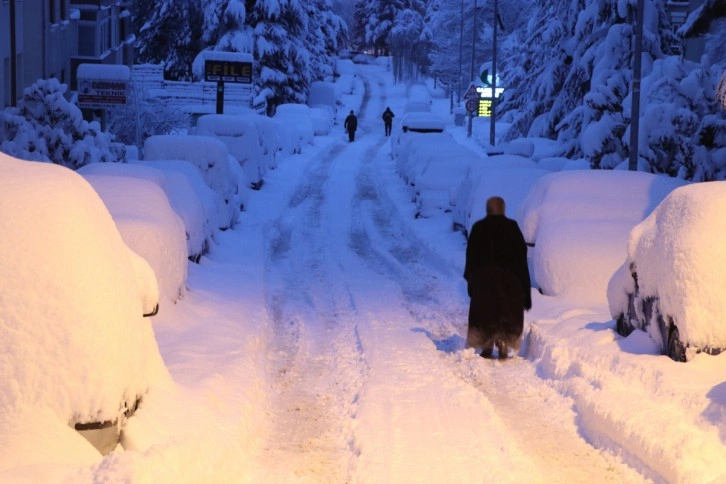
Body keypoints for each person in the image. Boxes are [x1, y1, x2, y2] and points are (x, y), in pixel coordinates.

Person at [463, 196, 532, 359]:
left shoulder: (479, 228)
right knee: (507, 311)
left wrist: (471, 280)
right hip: (510, 281)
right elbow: (521, 258)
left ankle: (486, 343)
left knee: (484, 311)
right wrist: (525, 291)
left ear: (488, 210)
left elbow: (471, 256)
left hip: (484, 280)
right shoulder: (512, 228)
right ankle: (503, 339)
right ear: (503, 209)